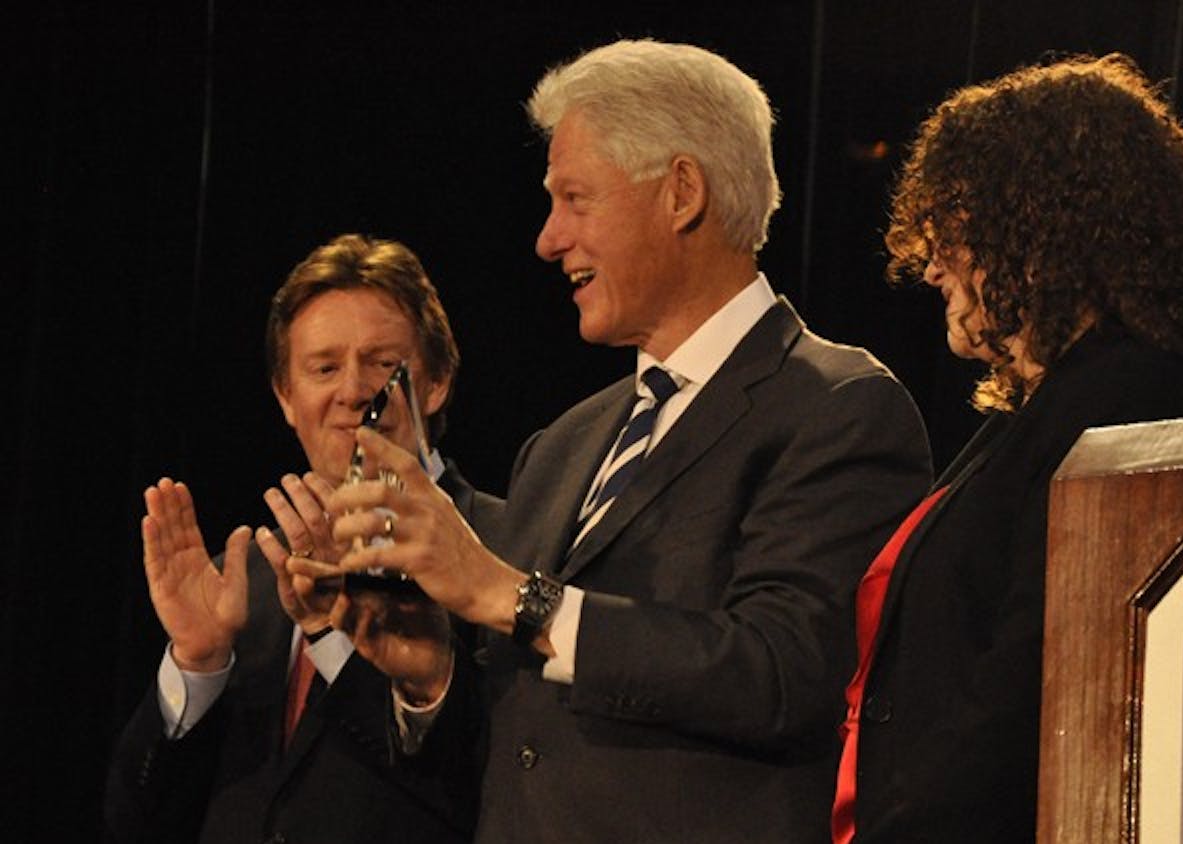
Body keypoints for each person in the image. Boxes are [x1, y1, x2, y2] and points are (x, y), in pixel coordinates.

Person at [313, 40, 932, 843]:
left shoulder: (837, 408)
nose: (548, 239)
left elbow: (785, 673)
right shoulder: (561, 448)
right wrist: (431, 677)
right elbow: (523, 753)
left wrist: (514, 598)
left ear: (681, 193)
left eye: (575, 199)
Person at [830, 53, 1183, 842]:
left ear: (1040, 228)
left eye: (956, 228)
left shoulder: (1128, 401)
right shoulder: (1038, 417)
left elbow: (1033, 686)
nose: (931, 265)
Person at [104, 234, 505, 843]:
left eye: (383, 363)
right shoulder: (245, 581)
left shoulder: (505, 548)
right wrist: (198, 665)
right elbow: (136, 824)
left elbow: (495, 794)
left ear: (438, 382)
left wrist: (335, 642)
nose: (354, 391)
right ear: (287, 397)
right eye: (324, 368)